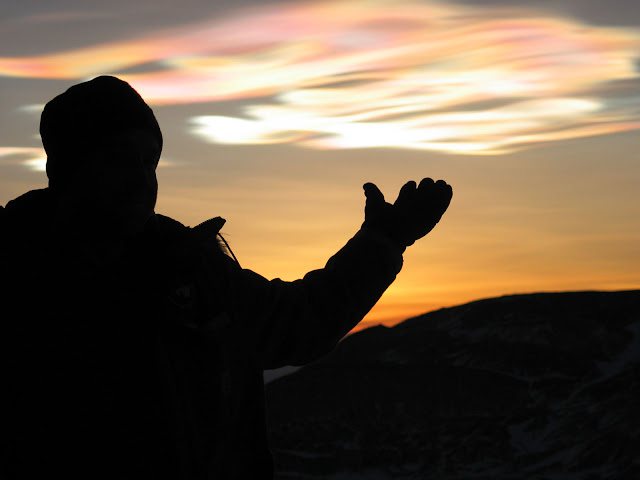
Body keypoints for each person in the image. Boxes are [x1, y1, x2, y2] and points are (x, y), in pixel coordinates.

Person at [0, 76, 452, 479]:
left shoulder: (193, 272)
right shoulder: (17, 281)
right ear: (68, 169)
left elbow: (296, 325)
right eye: (119, 159)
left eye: (150, 162)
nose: (142, 180)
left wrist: (383, 242)